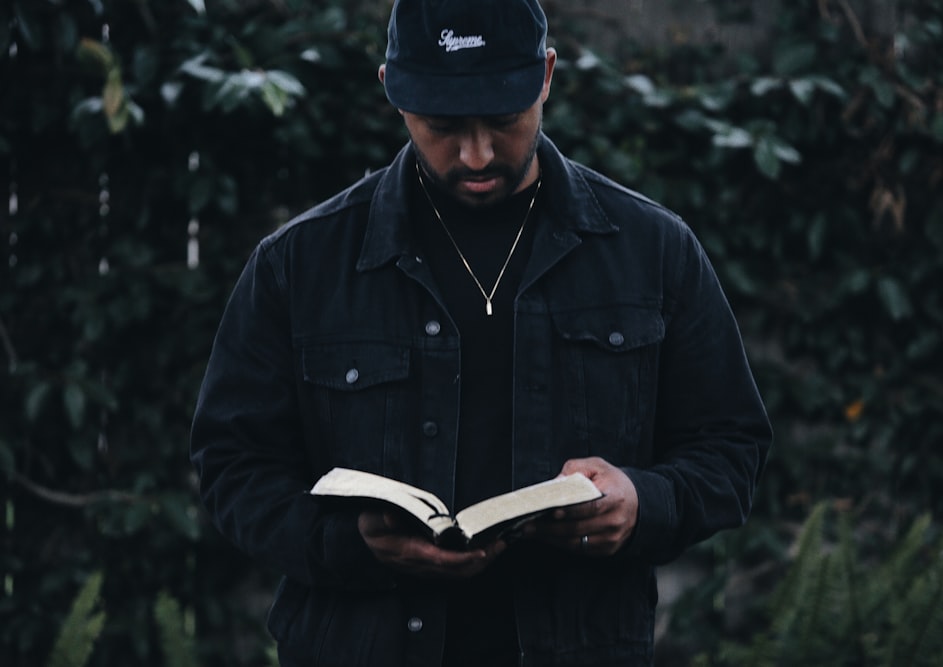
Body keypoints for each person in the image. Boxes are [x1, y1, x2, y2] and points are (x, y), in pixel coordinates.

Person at [190, 0, 772, 665]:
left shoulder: (652, 250)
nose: (476, 152)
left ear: (546, 76)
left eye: (503, 119)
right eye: (441, 125)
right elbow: (233, 464)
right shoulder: (299, 264)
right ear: (392, 90)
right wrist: (350, 543)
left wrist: (644, 503)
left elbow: (731, 445)